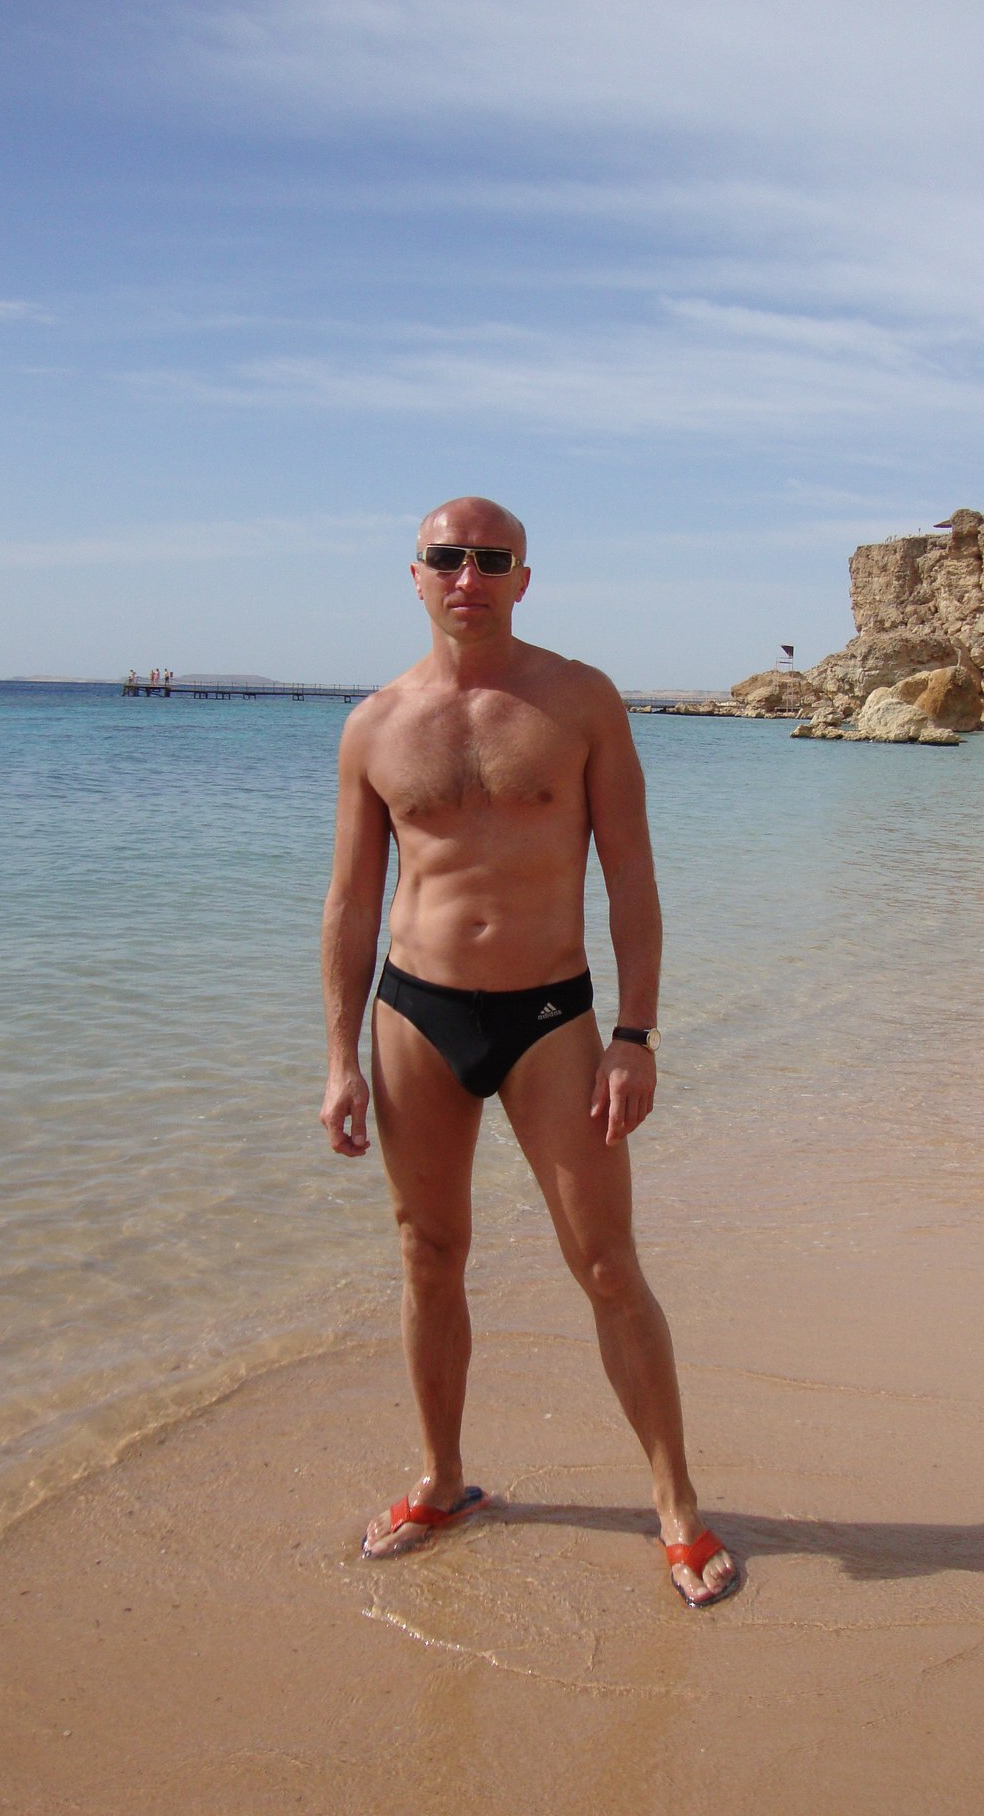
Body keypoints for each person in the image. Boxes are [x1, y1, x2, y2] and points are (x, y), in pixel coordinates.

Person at [318, 497, 737, 1608]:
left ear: (521, 577)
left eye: (490, 559)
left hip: (550, 1016)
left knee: (604, 1260)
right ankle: (442, 1482)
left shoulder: (579, 699)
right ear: (415, 574)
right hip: (413, 1012)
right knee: (427, 1251)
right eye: (447, 558)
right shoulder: (372, 726)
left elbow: (631, 874)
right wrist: (339, 1057)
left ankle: (676, 1507)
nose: (468, 575)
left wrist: (636, 1033)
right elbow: (351, 901)